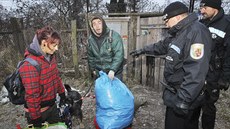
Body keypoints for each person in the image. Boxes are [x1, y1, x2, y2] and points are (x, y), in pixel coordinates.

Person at [130, 2, 212, 129]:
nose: (165, 23)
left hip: (185, 97)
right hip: (176, 94)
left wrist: (184, 100)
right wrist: (142, 50)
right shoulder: (179, 33)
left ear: (178, 17)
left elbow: (196, 71)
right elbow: (161, 46)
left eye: (167, 20)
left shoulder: (196, 32)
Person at [19, 26, 66, 128]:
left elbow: (56, 76)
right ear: (44, 43)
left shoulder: (50, 56)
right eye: (54, 45)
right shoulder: (29, 65)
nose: (56, 48)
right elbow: (32, 95)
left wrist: (62, 93)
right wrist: (36, 118)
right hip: (39, 111)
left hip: (52, 106)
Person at [199, 0, 230, 129]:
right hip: (198, 72)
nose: (202, 10)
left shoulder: (227, 25)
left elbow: (229, 54)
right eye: (201, 7)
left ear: (215, 8)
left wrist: (225, 77)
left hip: (213, 74)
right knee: (193, 105)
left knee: (208, 108)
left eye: (205, 7)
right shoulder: (200, 23)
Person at [87, 15, 124, 80]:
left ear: (103, 24)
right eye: (94, 24)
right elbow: (91, 57)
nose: (97, 26)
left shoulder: (114, 36)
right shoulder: (91, 40)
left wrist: (113, 70)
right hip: (100, 73)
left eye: (99, 23)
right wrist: (93, 70)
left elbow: (119, 54)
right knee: (102, 90)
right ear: (92, 27)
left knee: (115, 89)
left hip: (115, 72)